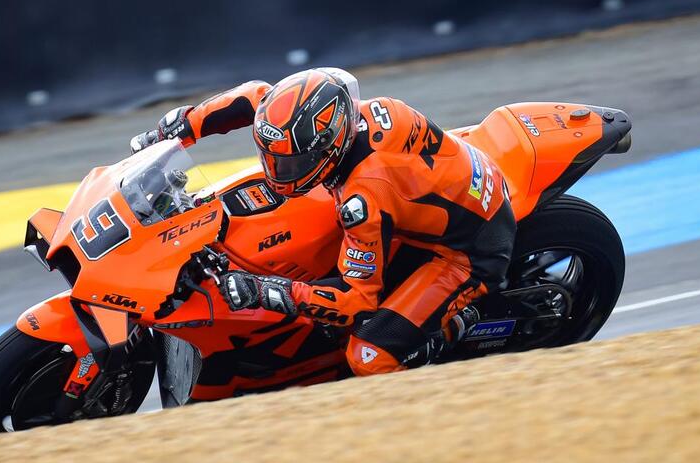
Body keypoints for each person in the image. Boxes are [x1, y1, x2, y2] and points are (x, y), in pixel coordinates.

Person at [131, 68, 516, 376]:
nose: (277, 172)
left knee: (369, 357)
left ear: (330, 146)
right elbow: (254, 96)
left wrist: (263, 290)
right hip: (439, 187)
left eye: (292, 163)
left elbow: (356, 301)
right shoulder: (324, 118)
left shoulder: (363, 197)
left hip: (468, 249)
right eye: (272, 157)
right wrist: (180, 128)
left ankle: (458, 326)